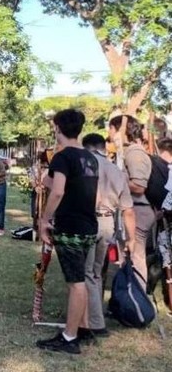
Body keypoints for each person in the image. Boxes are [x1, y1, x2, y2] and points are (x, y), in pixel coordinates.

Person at [36, 109, 99, 355]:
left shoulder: (63, 157)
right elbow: (61, 183)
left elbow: (58, 191)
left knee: (75, 283)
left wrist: (44, 220)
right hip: (88, 225)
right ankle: (81, 327)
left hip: (70, 226)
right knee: (80, 279)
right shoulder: (89, 158)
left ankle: (69, 337)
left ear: (57, 128)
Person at [82, 133, 136, 338]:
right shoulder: (117, 171)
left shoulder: (84, 164)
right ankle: (95, 318)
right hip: (107, 221)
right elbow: (128, 210)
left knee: (84, 273)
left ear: (86, 147)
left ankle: (91, 322)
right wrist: (130, 239)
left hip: (87, 219)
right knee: (96, 273)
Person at [107, 115, 155, 289]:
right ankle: (128, 296)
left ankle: (138, 298)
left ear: (121, 130)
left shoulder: (135, 153)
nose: (109, 133)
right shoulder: (126, 152)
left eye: (111, 129)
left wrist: (115, 181)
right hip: (131, 210)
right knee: (127, 255)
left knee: (136, 255)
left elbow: (139, 186)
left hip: (139, 211)